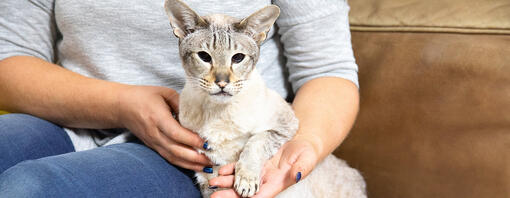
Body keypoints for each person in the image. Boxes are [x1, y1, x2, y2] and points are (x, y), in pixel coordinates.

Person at [0, 0, 359, 197]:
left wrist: (285, 156)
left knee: (29, 189)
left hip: (199, 146)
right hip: (65, 116)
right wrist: (121, 104)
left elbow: (328, 68)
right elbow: (9, 55)